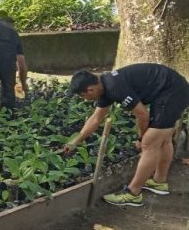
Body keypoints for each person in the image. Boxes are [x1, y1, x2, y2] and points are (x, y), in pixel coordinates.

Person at [65, 63, 189, 207]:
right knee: (163, 139)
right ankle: (159, 182)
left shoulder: (115, 87)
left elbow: (142, 115)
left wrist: (141, 138)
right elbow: (96, 118)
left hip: (171, 92)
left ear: (90, 89)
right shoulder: (105, 86)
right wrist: (76, 141)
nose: (84, 99)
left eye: (82, 95)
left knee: (149, 143)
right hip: (171, 89)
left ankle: (133, 194)